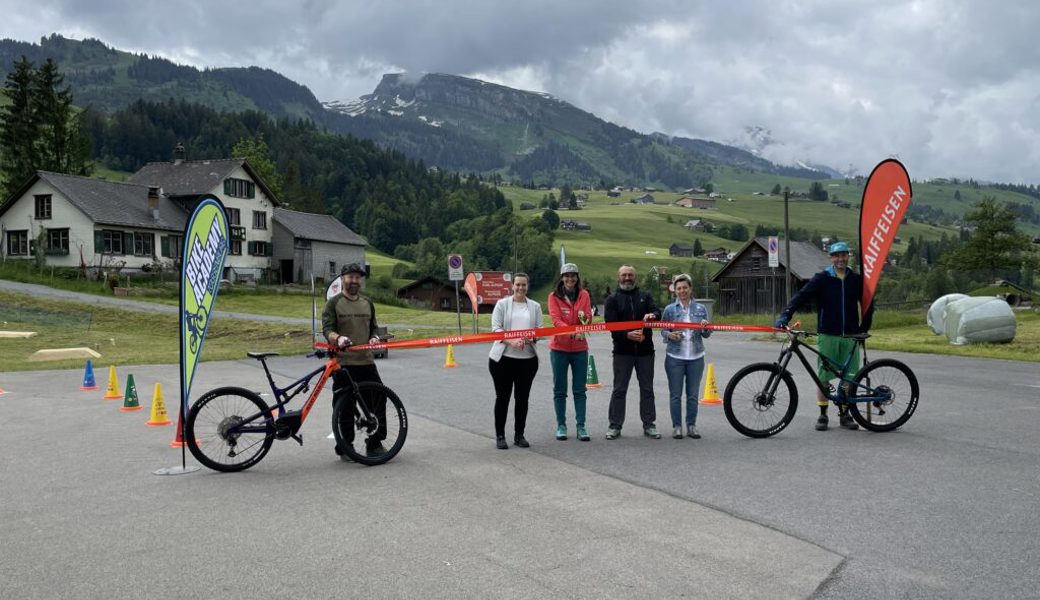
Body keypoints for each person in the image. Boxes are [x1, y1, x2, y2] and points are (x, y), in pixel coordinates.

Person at [775, 241, 874, 431]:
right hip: (827, 334)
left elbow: (869, 305)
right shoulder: (822, 278)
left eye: (843, 255)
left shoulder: (856, 279)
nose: (840, 259)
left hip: (851, 335)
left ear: (848, 257)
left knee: (848, 378)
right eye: (837, 256)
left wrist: (864, 328)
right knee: (823, 377)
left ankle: (845, 414)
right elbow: (801, 296)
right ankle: (823, 415)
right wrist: (786, 314)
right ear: (831, 258)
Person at [322, 263, 387, 458]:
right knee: (344, 405)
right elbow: (327, 330)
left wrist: (375, 337)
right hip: (343, 364)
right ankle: (345, 446)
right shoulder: (334, 303)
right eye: (351, 277)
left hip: (366, 361)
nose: (354, 281)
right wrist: (338, 338)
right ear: (342, 279)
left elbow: (374, 327)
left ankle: (375, 443)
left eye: (358, 278)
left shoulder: (367, 302)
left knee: (378, 398)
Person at [604, 264, 662, 440]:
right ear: (618, 276)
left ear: (635, 277)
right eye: (624, 275)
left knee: (647, 389)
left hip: (645, 352)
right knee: (619, 389)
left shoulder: (645, 296)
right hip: (622, 352)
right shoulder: (612, 299)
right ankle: (615, 425)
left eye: (630, 275)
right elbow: (610, 326)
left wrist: (652, 315)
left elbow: (657, 312)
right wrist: (627, 335)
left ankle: (649, 424)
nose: (627, 278)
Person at [488, 272, 543, 450]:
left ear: (528, 286)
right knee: (502, 398)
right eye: (517, 285)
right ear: (512, 286)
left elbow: (540, 330)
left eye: (523, 285)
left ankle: (519, 435)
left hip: (527, 360)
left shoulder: (535, 306)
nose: (520, 288)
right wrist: (510, 340)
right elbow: (496, 328)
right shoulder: (502, 304)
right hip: (503, 360)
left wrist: (530, 338)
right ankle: (500, 435)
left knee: (522, 399)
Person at [660, 273, 711, 439]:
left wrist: (705, 327)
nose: (682, 291)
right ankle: (676, 426)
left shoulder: (701, 309)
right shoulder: (669, 310)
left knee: (693, 394)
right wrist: (670, 336)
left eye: (685, 288)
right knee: (675, 395)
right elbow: (663, 329)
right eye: (679, 288)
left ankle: (691, 425)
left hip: (695, 357)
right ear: (674, 291)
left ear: (690, 289)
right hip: (675, 357)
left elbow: (707, 334)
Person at [547, 263, 593, 442]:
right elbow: (556, 320)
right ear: (561, 277)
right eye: (566, 276)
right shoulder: (553, 296)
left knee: (580, 390)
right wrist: (572, 330)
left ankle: (581, 426)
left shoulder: (584, 294)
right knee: (560, 390)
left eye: (573, 275)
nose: (570, 279)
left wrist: (584, 327)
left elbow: (588, 316)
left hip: (580, 349)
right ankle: (561, 425)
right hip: (559, 348)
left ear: (577, 277)